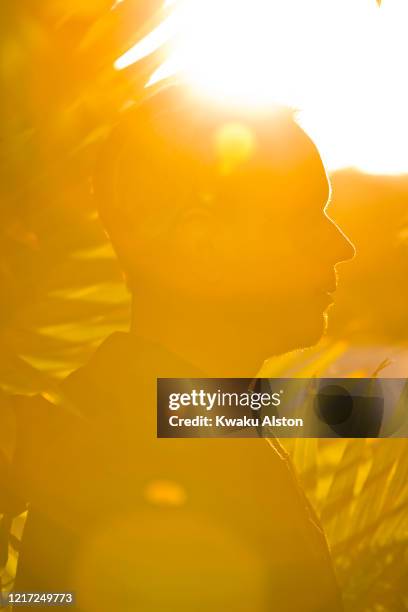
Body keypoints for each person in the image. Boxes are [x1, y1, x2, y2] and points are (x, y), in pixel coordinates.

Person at [8, 85, 354, 611]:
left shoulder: (166, 407)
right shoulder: (138, 458)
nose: (341, 246)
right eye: (305, 214)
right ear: (201, 243)